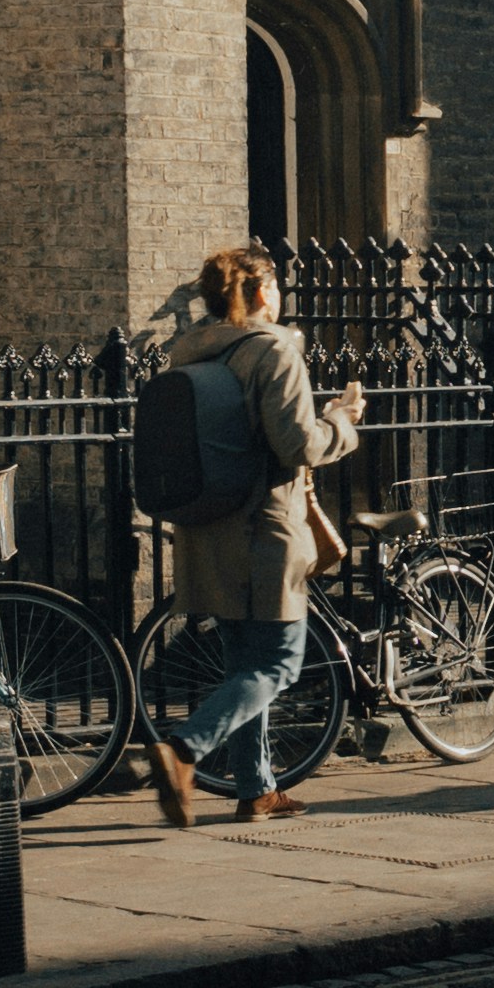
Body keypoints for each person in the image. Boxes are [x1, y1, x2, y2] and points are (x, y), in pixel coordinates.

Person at [139, 247, 363, 825]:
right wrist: (341, 418)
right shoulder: (273, 352)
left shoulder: (187, 352)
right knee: (280, 665)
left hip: (209, 529)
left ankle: (257, 788)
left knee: (244, 664)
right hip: (265, 530)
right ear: (263, 291)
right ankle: (183, 748)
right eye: (277, 285)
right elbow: (299, 447)